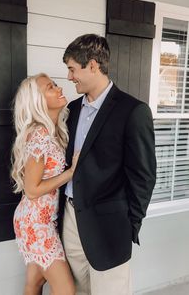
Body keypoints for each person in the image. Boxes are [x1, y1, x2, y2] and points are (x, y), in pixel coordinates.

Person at [59, 34, 157, 295]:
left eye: (72, 69)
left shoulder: (133, 111)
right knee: (78, 290)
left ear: (92, 65)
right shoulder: (73, 109)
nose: (69, 77)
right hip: (70, 220)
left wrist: (130, 225)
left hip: (110, 227)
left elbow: (144, 176)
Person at [11, 73, 78, 295]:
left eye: (56, 84)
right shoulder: (40, 135)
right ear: (38, 101)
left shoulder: (52, 131)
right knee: (66, 289)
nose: (59, 88)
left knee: (35, 282)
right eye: (51, 87)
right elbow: (31, 190)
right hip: (36, 222)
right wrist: (70, 173)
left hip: (39, 219)